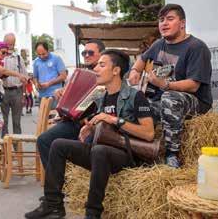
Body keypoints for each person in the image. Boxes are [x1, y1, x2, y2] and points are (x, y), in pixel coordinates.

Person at [25, 49, 155, 219]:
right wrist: (90, 126)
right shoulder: (100, 96)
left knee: (99, 150)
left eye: (102, 65)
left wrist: (114, 120)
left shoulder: (135, 96)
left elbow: (149, 133)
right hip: (98, 151)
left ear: (116, 71)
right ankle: (53, 204)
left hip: (125, 153)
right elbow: (80, 116)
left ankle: (92, 213)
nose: (96, 69)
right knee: (57, 144)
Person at [128, 4, 212, 168]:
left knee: (170, 97)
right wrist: (134, 71)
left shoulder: (196, 47)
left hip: (195, 102)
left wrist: (164, 84)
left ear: (182, 23)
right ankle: (140, 154)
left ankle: (171, 155)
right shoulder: (159, 44)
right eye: (161, 20)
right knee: (135, 104)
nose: (164, 23)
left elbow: (193, 85)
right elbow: (142, 60)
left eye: (170, 19)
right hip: (162, 99)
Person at [37, 39, 105, 169]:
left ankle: (59, 181)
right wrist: (60, 92)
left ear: (102, 54)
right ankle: (58, 181)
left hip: (89, 124)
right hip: (72, 120)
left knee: (48, 141)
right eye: (84, 53)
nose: (86, 55)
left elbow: (102, 98)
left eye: (90, 53)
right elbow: (68, 92)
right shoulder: (79, 72)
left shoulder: (105, 75)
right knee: (44, 140)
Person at [0, 33, 28, 137]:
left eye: (11, 44)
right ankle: (5, 149)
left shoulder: (18, 58)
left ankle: (17, 150)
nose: (9, 46)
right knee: (3, 122)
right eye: (7, 44)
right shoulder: (0, 58)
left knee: (16, 122)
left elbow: (24, 78)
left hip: (17, 91)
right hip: (3, 91)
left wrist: (24, 95)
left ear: (14, 44)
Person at [32, 41, 67, 109]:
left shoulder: (56, 59)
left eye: (43, 54)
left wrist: (49, 83)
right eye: (39, 54)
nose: (41, 56)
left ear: (48, 50)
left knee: (54, 118)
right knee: (43, 119)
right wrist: (36, 84)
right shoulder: (36, 62)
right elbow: (35, 77)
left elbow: (63, 76)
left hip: (55, 96)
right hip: (42, 97)